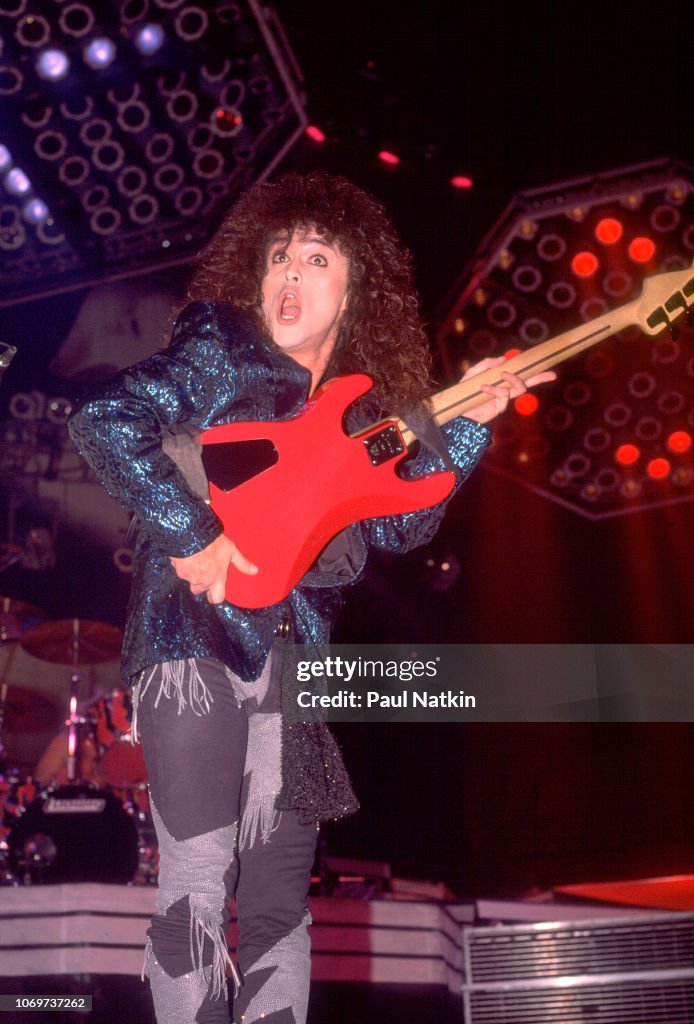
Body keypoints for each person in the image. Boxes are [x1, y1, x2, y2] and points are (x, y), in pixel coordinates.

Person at [68, 171, 554, 1024]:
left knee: (278, 908)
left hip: (297, 666)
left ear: (354, 287)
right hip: (192, 638)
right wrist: (195, 535)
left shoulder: (360, 406)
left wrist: (471, 423)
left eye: (315, 258)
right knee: (194, 876)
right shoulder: (221, 347)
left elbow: (402, 527)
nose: (288, 276)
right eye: (277, 258)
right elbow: (106, 421)